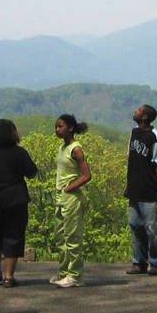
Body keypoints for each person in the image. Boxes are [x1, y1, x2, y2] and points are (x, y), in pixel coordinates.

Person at [0, 119, 38, 288]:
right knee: (14, 235)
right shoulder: (19, 153)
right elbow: (32, 172)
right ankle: (9, 277)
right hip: (15, 199)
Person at [125, 103, 157, 276]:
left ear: (145, 117)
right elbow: (131, 159)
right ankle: (139, 262)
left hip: (150, 191)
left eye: (138, 110)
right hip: (135, 189)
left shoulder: (155, 136)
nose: (135, 111)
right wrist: (128, 184)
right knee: (136, 226)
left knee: (153, 229)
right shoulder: (134, 132)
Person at [51, 113, 91, 288]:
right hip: (61, 198)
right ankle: (64, 271)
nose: (57, 130)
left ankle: (75, 275)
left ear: (71, 128)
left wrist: (69, 188)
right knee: (60, 237)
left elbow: (87, 175)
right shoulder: (62, 148)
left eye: (61, 126)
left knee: (72, 237)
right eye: (56, 127)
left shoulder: (76, 149)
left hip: (73, 198)